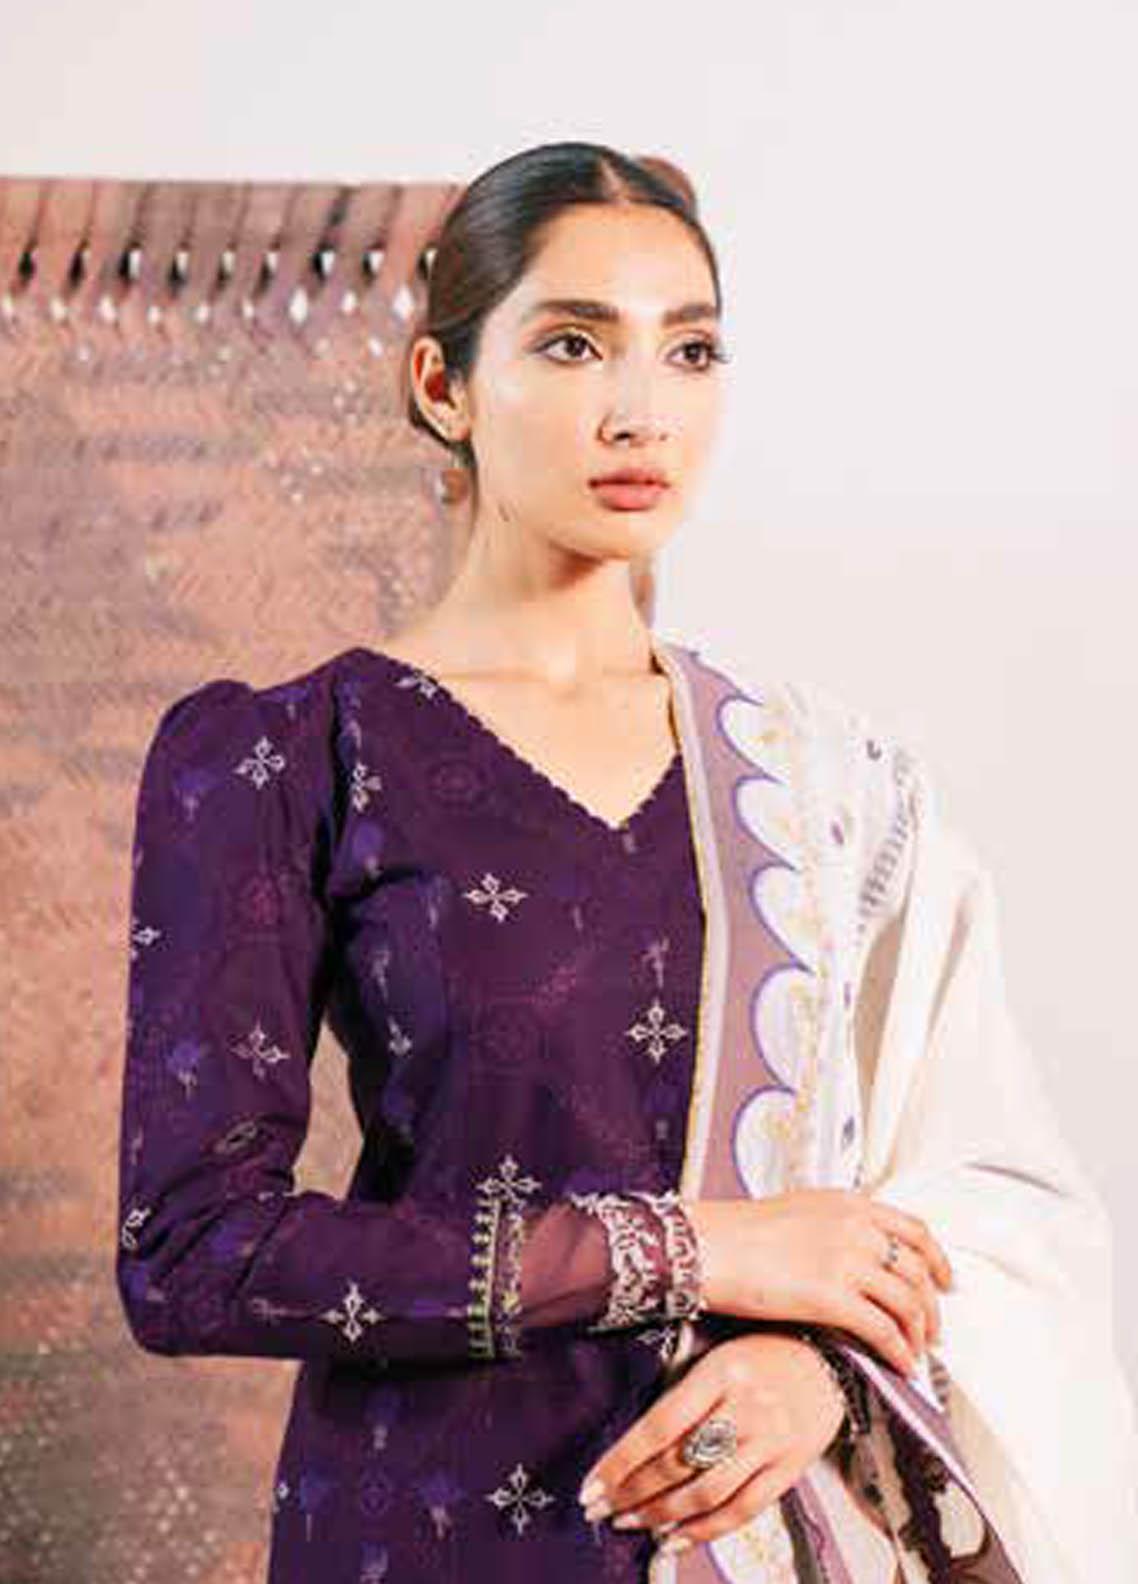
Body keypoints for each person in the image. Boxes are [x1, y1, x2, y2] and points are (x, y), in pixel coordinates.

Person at [115, 141, 1138, 1584]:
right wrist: (688, 1251)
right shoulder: (289, 755)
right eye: (573, 344)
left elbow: (990, 1196)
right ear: (443, 388)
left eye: (690, 349)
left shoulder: (829, 790)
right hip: (430, 1530)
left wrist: (823, 1372)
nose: (642, 408)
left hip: (771, 1530)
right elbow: (193, 1253)